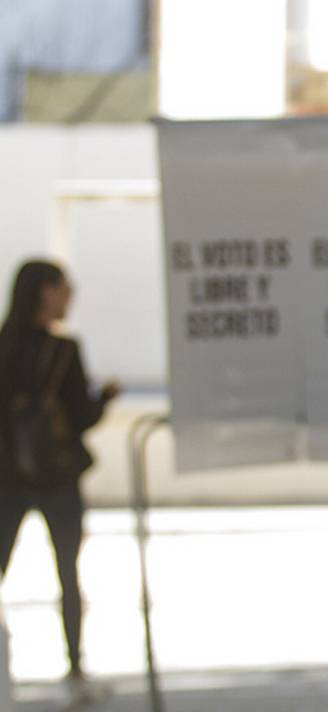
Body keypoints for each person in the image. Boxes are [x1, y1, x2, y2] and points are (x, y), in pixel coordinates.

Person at [0, 260, 119, 704]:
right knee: (68, 573)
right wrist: (105, 397)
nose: (72, 295)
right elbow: (82, 417)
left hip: (6, 480)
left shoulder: (3, 346)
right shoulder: (64, 351)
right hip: (55, 478)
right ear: (45, 292)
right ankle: (75, 670)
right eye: (65, 287)